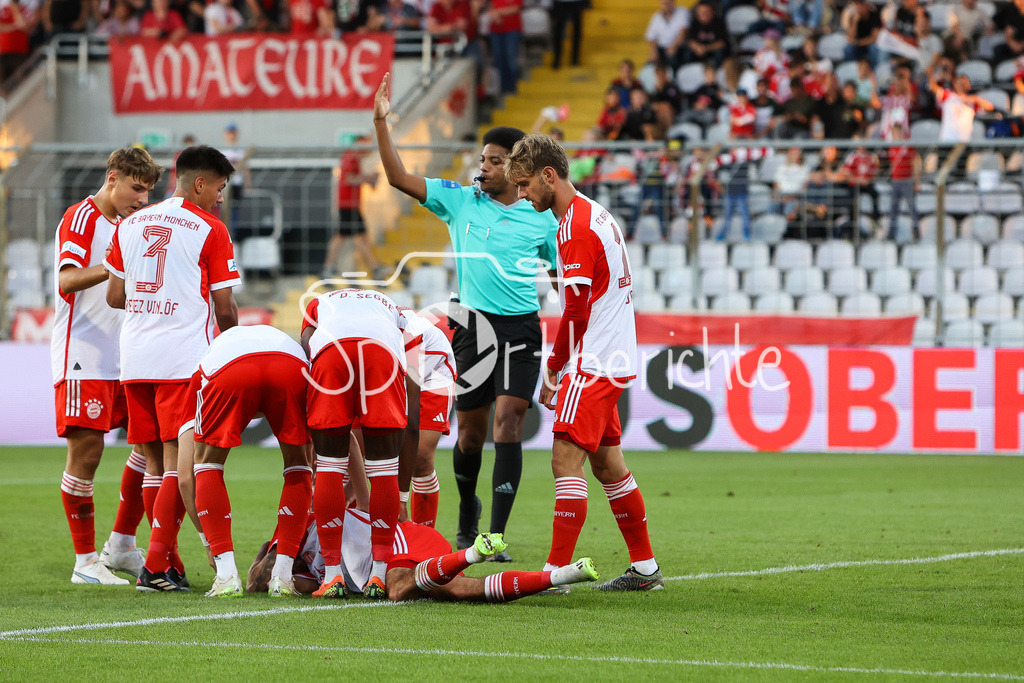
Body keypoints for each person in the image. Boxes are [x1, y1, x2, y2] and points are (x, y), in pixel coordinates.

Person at [373, 73, 558, 560]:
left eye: (495, 161)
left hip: (521, 327)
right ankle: (465, 516)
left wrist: (569, 343)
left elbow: (564, 277)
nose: (485, 167)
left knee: (509, 424)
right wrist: (381, 125)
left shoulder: (543, 218)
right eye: (483, 159)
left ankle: (495, 535)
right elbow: (396, 178)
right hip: (471, 324)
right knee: (472, 435)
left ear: (517, 169)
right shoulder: (459, 201)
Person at [504, 134, 663, 591]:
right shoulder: (592, 214)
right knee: (608, 464)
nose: (521, 194)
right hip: (611, 353)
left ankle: (552, 574)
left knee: (564, 459)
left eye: (525, 184)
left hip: (592, 360)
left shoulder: (574, 226)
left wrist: (553, 368)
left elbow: (575, 311)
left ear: (548, 176)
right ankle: (645, 568)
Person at [105, 145, 241, 592]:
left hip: (135, 358)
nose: (221, 198)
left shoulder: (129, 224)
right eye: (219, 188)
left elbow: (114, 297)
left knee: (150, 464)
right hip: (183, 360)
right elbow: (225, 305)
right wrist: (231, 347)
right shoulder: (210, 228)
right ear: (199, 184)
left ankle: (169, 565)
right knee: (177, 469)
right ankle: (156, 566)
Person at [52, 147, 161, 586]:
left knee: (146, 445)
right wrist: (113, 266)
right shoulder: (82, 218)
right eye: (137, 189)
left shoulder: (126, 225)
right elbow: (66, 280)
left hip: (126, 354)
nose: (142, 200)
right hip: (84, 353)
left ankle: (120, 544)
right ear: (112, 178)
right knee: (88, 455)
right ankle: (84, 561)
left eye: (149, 192)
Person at [179, 324, 314, 597]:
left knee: (207, 464)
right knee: (300, 466)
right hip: (291, 364)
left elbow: (184, 477)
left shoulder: (198, 376)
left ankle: (227, 576)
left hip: (229, 368)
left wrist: (210, 544)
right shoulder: (278, 345)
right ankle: (283, 578)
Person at [300, 287, 411, 599]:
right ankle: (378, 575)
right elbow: (401, 340)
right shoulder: (389, 303)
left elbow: (307, 341)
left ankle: (332, 576)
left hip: (331, 355)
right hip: (382, 355)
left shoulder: (318, 301)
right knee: (385, 470)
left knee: (330, 467)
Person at [246, 509, 599, 601]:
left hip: (402, 540)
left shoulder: (303, 521)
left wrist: (265, 555)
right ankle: (563, 575)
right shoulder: (311, 570)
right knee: (457, 591)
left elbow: (256, 581)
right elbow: (275, 586)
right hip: (422, 560)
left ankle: (472, 552)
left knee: (398, 589)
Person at [398, 307, 457, 529]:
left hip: (434, 375)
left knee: (420, 458)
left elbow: (411, 417)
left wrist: (401, 497)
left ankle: (424, 536)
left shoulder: (410, 330)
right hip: (398, 369)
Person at [321, 137, 384, 280]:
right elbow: (349, 179)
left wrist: (367, 178)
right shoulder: (350, 157)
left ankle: (328, 267)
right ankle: (374, 268)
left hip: (349, 205)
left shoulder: (352, 158)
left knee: (348, 236)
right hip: (349, 205)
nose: (368, 150)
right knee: (358, 237)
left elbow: (353, 178)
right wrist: (368, 179)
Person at [886, 122, 920, 241]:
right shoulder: (891, 147)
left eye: (896, 132)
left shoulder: (908, 146)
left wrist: (916, 181)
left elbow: (916, 162)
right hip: (895, 180)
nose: (895, 135)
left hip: (907, 180)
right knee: (893, 207)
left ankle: (916, 229)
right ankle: (891, 231)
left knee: (911, 207)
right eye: (893, 133)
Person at [645, 0, 689, 69]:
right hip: (662, 48)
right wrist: (654, 52)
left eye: (668, 3)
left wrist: (674, 46)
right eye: (664, 3)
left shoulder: (682, 12)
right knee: (649, 65)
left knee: (672, 58)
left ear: (674, 3)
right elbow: (651, 37)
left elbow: (684, 31)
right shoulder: (656, 17)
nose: (666, 6)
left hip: (679, 47)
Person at [550, 0, 585, 70]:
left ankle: (575, 59)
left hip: (576, 2)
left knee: (577, 31)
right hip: (560, 2)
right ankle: (557, 58)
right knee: (558, 30)